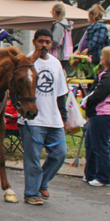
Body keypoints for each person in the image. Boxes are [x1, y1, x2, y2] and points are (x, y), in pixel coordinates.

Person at [17, 29, 68, 205]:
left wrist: (64, 115)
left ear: (52, 44)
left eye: (47, 42)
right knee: (33, 158)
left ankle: (42, 182)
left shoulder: (56, 63)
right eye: (40, 41)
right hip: (33, 118)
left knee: (60, 153)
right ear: (34, 42)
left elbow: (61, 93)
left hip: (53, 118)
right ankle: (31, 193)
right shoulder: (25, 62)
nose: (44, 45)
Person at [82, 46, 110, 187]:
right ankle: (90, 174)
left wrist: (88, 103)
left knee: (99, 146)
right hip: (99, 114)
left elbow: (100, 94)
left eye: (103, 56)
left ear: (109, 59)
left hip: (104, 114)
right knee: (91, 144)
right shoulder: (108, 74)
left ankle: (103, 177)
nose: (101, 58)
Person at [74, 4, 109, 70]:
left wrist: (88, 49)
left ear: (91, 16)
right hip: (90, 57)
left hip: (95, 58)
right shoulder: (94, 27)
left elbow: (97, 41)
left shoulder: (100, 27)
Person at [49, 2, 73, 73]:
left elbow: (56, 41)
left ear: (55, 12)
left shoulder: (59, 25)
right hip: (65, 54)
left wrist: (48, 44)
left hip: (58, 54)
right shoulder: (66, 25)